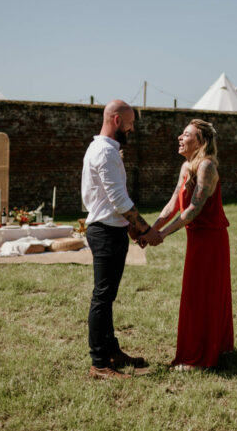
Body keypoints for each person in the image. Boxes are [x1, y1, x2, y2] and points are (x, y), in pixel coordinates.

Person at [81, 99, 162, 380]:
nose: (132, 129)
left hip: (109, 228)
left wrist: (129, 228)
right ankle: (99, 362)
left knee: (108, 296)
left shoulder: (102, 149)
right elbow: (117, 200)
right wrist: (145, 229)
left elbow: (108, 200)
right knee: (102, 297)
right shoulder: (105, 152)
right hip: (105, 232)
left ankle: (111, 351)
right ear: (116, 120)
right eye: (130, 123)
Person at [148, 119, 234, 370]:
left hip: (210, 240)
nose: (180, 137)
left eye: (186, 135)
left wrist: (163, 235)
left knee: (201, 296)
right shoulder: (187, 166)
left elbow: (194, 210)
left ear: (201, 142)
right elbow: (173, 202)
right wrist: (150, 230)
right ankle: (210, 346)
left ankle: (200, 358)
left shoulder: (206, 166)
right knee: (196, 294)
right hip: (196, 239)